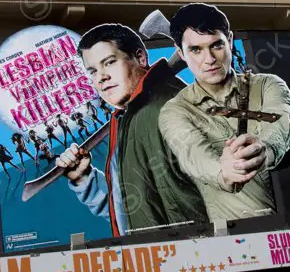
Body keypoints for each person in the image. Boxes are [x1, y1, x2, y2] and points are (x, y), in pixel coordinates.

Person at [55, 24, 208, 235]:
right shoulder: (129, 117)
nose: (101, 77)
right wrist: (85, 179)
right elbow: (134, 207)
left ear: (141, 58)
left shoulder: (162, 110)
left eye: (109, 63)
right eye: (92, 71)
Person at [158, 3, 290, 223]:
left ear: (230, 41)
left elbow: (282, 122)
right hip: (239, 240)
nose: (209, 59)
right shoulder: (175, 110)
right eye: (196, 49)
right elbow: (193, 154)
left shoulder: (268, 85)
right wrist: (224, 171)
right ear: (181, 53)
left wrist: (265, 148)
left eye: (216, 45)